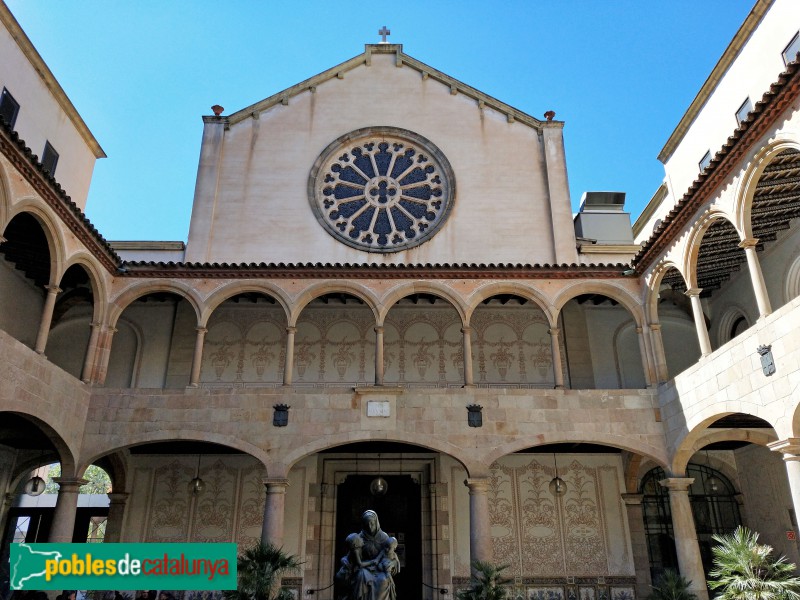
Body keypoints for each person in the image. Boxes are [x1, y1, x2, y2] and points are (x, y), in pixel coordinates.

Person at [335, 510, 399, 600]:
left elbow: (392, 555)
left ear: (376, 522)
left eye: (372, 523)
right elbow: (352, 556)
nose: (369, 526)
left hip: (380, 569)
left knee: (384, 580)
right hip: (364, 568)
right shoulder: (359, 537)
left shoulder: (384, 537)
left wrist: (393, 563)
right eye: (367, 524)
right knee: (361, 575)